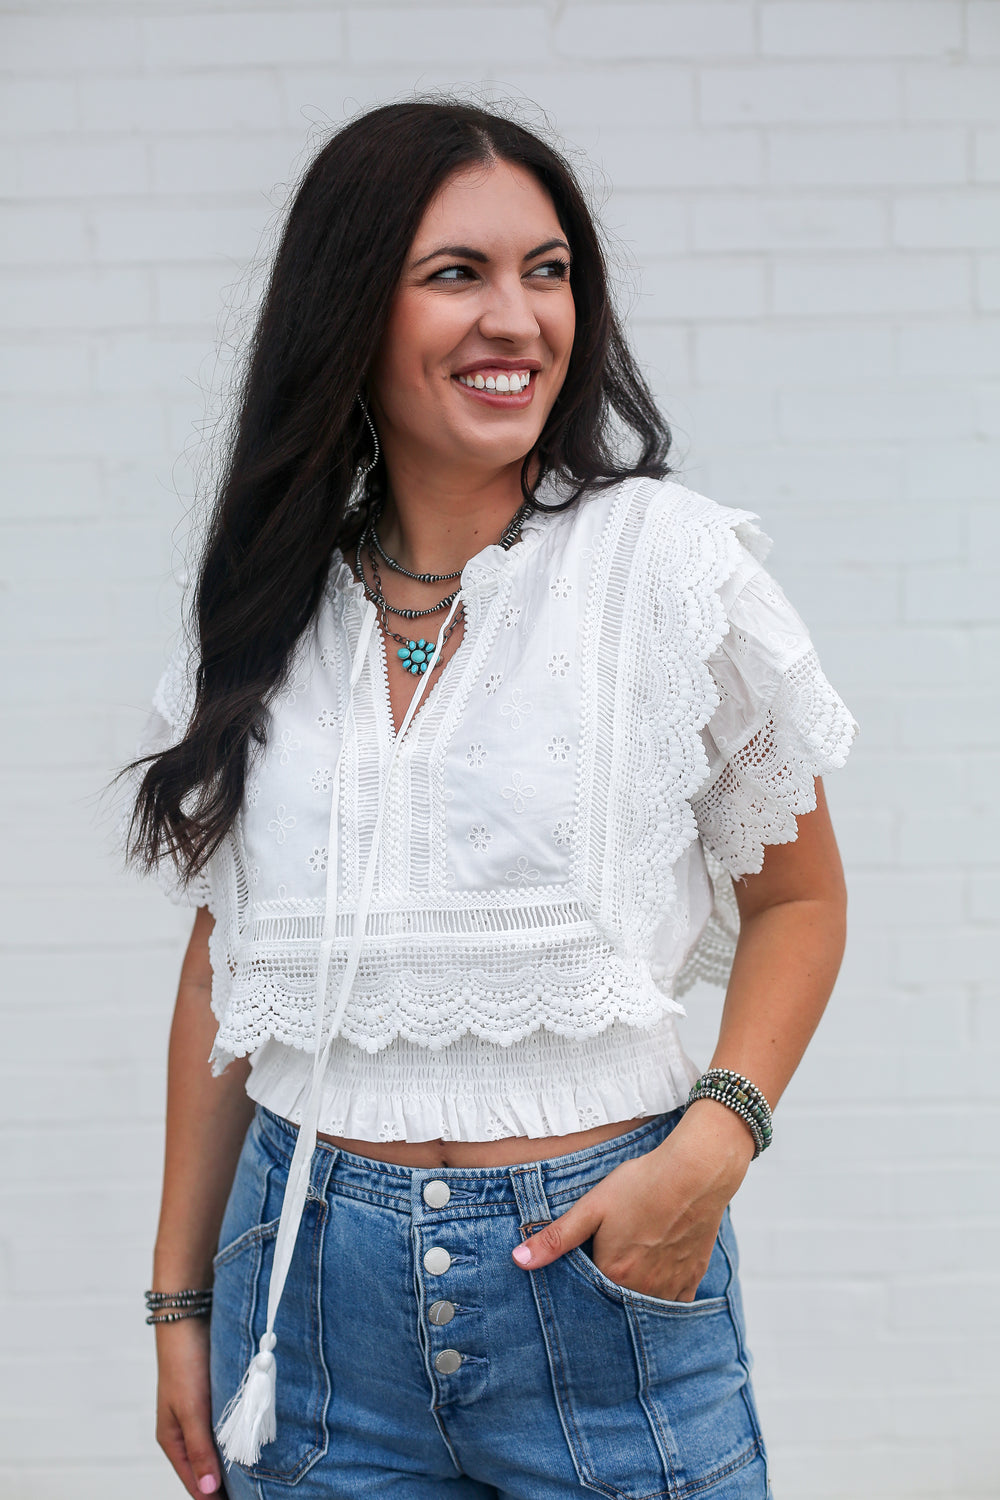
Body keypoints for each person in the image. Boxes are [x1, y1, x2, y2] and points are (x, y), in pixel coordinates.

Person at [126, 99, 857, 1500]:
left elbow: (801, 900)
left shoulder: (665, 567)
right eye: (456, 273)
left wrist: (714, 1146)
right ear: (352, 309)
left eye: (548, 271)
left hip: (603, 1281)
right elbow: (229, 969)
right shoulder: (266, 612)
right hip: (307, 1300)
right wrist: (177, 1299)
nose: (516, 318)